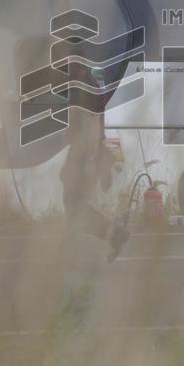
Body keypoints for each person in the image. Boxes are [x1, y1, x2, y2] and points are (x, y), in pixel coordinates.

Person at [59, 65, 129, 262]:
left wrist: (90, 161)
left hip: (84, 154)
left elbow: (93, 124)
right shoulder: (84, 85)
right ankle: (68, 249)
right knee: (73, 202)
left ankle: (113, 233)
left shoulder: (84, 87)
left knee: (74, 205)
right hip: (82, 152)